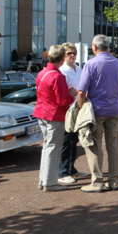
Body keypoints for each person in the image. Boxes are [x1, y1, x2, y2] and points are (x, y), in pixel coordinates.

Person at [77, 34, 118, 192]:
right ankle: (113, 181)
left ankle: (97, 181)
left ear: (94, 47)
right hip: (114, 109)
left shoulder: (91, 64)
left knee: (94, 146)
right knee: (113, 146)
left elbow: (81, 92)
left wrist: (81, 109)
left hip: (96, 111)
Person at [33, 45, 75, 192]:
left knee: (47, 147)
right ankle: (49, 183)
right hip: (54, 115)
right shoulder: (57, 76)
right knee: (53, 148)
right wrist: (72, 94)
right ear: (62, 58)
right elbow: (63, 101)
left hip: (42, 112)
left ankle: (43, 179)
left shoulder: (42, 73)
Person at [57, 43, 89, 185]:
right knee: (66, 141)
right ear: (63, 55)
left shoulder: (79, 69)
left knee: (74, 140)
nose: (72, 56)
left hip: (79, 108)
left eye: (74, 53)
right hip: (68, 109)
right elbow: (66, 91)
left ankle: (71, 169)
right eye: (69, 53)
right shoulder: (62, 71)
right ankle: (62, 172)